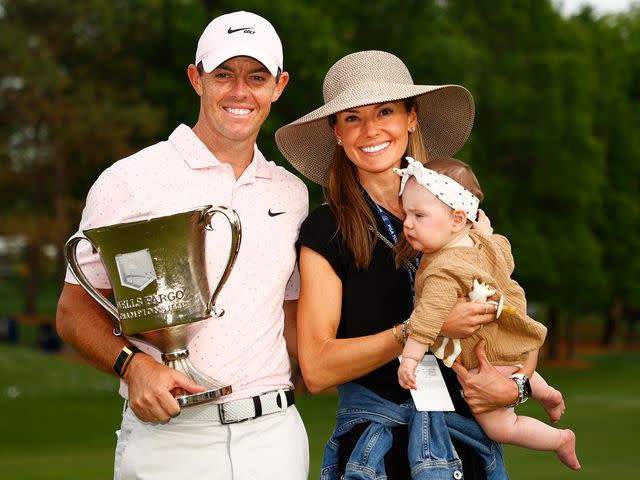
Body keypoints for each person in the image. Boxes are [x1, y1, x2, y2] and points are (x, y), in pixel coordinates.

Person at [56, 11, 309, 479]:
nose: (239, 92)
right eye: (223, 75)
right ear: (196, 79)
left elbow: (294, 317)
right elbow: (72, 312)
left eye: (257, 77)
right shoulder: (130, 180)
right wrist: (132, 367)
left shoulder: (291, 192)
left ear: (279, 86)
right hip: (170, 438)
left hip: (275, 437)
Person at [276, 50, 522, 479]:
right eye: (352, 118)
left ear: (411, 117)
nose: (370, 130)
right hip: (379, 452)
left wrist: (514, 386)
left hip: (468, 446)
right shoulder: (326, 229)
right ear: (335, 132)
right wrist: (419, 329)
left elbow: (510, 314)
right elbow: (315, 369)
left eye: (385, 111)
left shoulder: (458, 209)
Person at [394, 156, 580, 470]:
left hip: (485, 361)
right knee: (516, 369)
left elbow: (426, 321)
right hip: (508, 344)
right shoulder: (484, 245)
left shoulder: (442, 269)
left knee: (501, 427)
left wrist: (410, 358)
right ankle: (544, 391)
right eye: (406, 214)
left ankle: (559, 439)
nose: (408, 224)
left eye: (419, 215)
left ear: (456, 219)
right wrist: (484, 232)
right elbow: (504, 255)